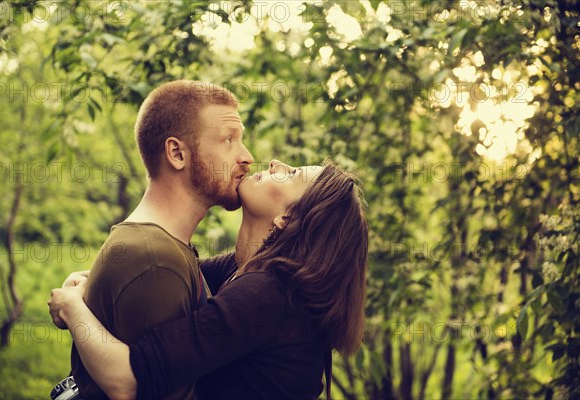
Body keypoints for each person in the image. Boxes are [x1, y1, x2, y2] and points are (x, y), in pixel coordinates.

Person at [49, 159, 368, 400]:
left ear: (287, 219)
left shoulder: (268, 295)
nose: (275, 163)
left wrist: (71, 308)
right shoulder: (249, 268)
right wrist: (92, 281)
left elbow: (126, 378)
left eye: (292, 173)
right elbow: (162, 272)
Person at [56, 80, 254, 400]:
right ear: (177, 153)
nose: (246, 156)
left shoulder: (161, 250)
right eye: (228, 140)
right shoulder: (154, 260)